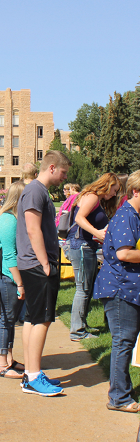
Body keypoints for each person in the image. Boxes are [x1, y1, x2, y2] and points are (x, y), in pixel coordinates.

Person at [16, 150, 70, 396]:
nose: (64, 177)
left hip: (34, 264)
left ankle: (31, 373)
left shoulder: (37, 191)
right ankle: (34, 377)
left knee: (32, 318)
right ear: (51, 167)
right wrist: (46, 264)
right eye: (63, 172)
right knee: (42, 320)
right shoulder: (36, 190)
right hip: (38, 265)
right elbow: (32, 229)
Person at [93, 170, 140, 413]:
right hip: (121, 288)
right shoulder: (127, 216)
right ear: (135, 191)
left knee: (126, 341)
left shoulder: (133, 215)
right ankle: (119, 397)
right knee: (123, 341)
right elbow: (124, 253)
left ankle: (121, 390)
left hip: (128, 287)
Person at [66, 173, 119, 341]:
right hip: (80, 245)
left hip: (84, 245)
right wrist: (97, 233)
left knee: (86, 288)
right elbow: (79, 218)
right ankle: (77, 331)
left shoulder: (92, 197)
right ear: (107, 185)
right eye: (114, 190)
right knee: (83, 289)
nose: (115, 194)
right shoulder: (92, 197)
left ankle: (81, 325)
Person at [0, 181, 26, 379]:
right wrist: (20, 283)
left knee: (9, 320)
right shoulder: (8, 220)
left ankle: (9, 359)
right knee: (5, 319)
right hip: (6, 276)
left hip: (7, 275)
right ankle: (1, 364)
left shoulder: (10, 217)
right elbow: (10, 255)